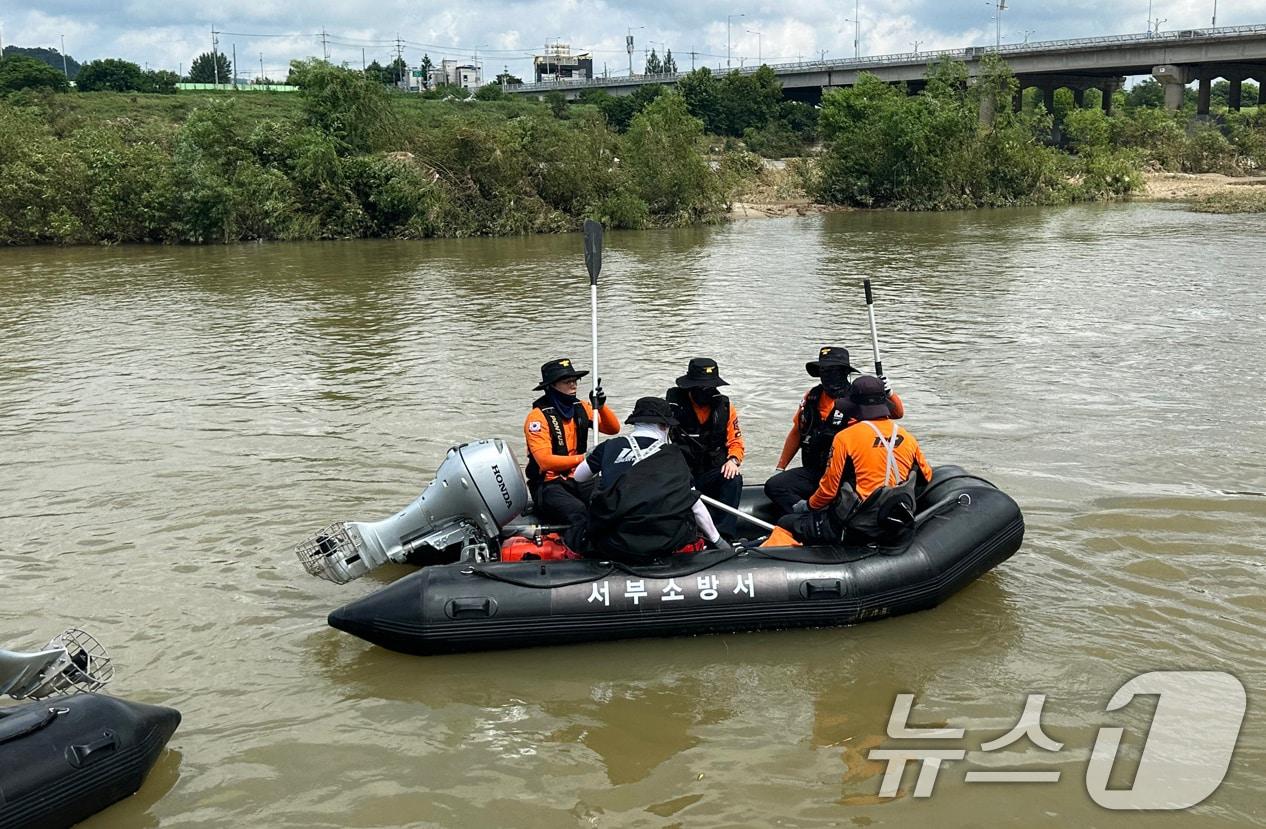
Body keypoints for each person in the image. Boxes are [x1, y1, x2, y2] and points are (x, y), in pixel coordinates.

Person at [778, 375, 932, 546]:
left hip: (857, 525)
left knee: (787, 522)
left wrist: (807, 506)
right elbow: (927, 475)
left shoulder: (845, 438)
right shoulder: (907, 436)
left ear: (854, 405)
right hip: (893, 521)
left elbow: (828, 490)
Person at [573, 397, 728, 562]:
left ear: (636, 423)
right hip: (665, 543)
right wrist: (718, 541)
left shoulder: (609, 447)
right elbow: (695, 506)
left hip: (616, 543)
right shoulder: (674, 455)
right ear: (664, 426)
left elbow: (579, 477)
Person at [764, 346, 904, 515]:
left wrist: (889, 393)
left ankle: (828, 517)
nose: (827, 375)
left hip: (847, 473)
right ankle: (808, 518)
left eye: (832, 370)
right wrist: (781, 467)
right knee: (775, 485)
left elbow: (896, 413)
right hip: (816, 469)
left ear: (844, 372)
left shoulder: (858, 398)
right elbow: (797, 432)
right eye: (823, 370)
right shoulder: (812, 397)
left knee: (841, 495)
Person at [524, 357, 620, 543]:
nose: (573, 385)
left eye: (575, 380)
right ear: (552, 386)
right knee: (578, 513)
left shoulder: (582, 407)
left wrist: (601, 406)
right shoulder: (537, 418)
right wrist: (584, 458)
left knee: (612, 498)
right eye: (567, 381)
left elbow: (613, 429)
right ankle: (578, 549)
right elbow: (545, 461)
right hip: (549, 483)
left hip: (579, 477)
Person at [665, 358, 744, 537]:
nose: (706, 392)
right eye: (701, 388)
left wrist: (733, 460)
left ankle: (724, 534)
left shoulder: (725, 407)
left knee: (733, 479)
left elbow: (736, 441)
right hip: (683, 475)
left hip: (711, 472)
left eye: (710, 388)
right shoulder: (672, 406)